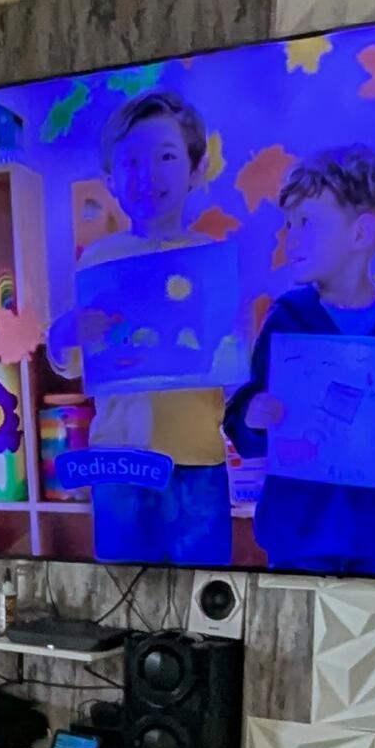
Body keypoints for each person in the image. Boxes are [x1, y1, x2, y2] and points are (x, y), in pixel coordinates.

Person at [222, 148, 375, 576]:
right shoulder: (287, 316)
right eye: (289, 224)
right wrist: (253, 413)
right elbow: (248, 424)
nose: (291, 238)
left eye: (307, 222)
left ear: (361, 233)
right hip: (299, 536)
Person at [58, 88, 240, 564]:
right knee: (123, 582)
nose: (147, 175)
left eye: (165, 156)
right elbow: (70, 357)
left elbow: (230, 355)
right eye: (131, 162)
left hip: (197, 459)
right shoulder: (98, 260)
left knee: (204, 590)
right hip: (120, 460)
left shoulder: (210, 259)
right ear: (112, 181)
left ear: (196, 169)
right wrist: (65, 333)